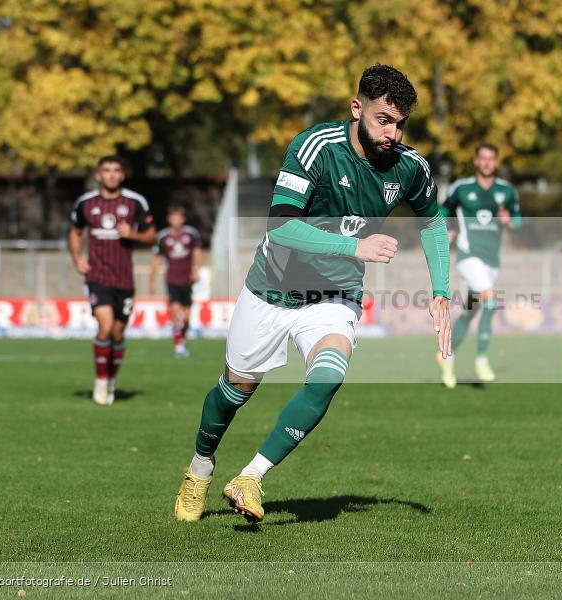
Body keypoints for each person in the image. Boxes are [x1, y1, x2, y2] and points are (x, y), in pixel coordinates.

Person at [173, 64, 452, 523]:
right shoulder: (315, 146)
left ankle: (251, 477)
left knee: (328, 376)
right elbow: (280, 227)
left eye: (401, 123)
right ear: (357, 108)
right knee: (235, 390)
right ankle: (200, 467)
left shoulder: (409, 166)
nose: (393, 133)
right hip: (272, 288)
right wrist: (355, 245)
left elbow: (434, 221)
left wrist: (441, 290)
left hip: (334, 295)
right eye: (384, 119)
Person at [68, 156, 156, 405]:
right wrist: (77, 258)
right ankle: (100, 381)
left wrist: (134, 234)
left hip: (124, 278)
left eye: (116, 170)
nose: (111, 175)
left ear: (122, 175)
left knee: (117, 335)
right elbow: (75, 232)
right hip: (97, 276)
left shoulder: (134, 202)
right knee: (105, 327)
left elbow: (151, 236)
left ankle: (111, 380)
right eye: (106, 170)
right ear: (99, 175)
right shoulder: (85, 203)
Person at [436, 143, 521, 387]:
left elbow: (517, 219)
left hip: (491, 261)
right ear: (476, 161)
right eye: (482, 158)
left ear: (496, 162)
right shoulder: (462, 188)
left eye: (490, 159)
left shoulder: (506, 191)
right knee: (491, 301)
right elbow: (443, 210)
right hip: (468, 256)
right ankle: (482, 360)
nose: (486, 163)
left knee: (471, 310)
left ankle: (447, 359)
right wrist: (448, 229)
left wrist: (511, 221)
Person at [149, 205, 203, 357]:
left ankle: (182, 339)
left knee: (186, 317)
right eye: (174, 217)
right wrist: (151, 281)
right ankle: (178, 345)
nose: (176, 220)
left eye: (179, 217)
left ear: (183, 219)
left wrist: (196, 269)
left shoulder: (191, 234)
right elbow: (157, 260)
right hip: (172, 279)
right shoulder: (163, 237)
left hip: (187, 280)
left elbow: (197, 253)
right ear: (169, 219)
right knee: (174, 311)